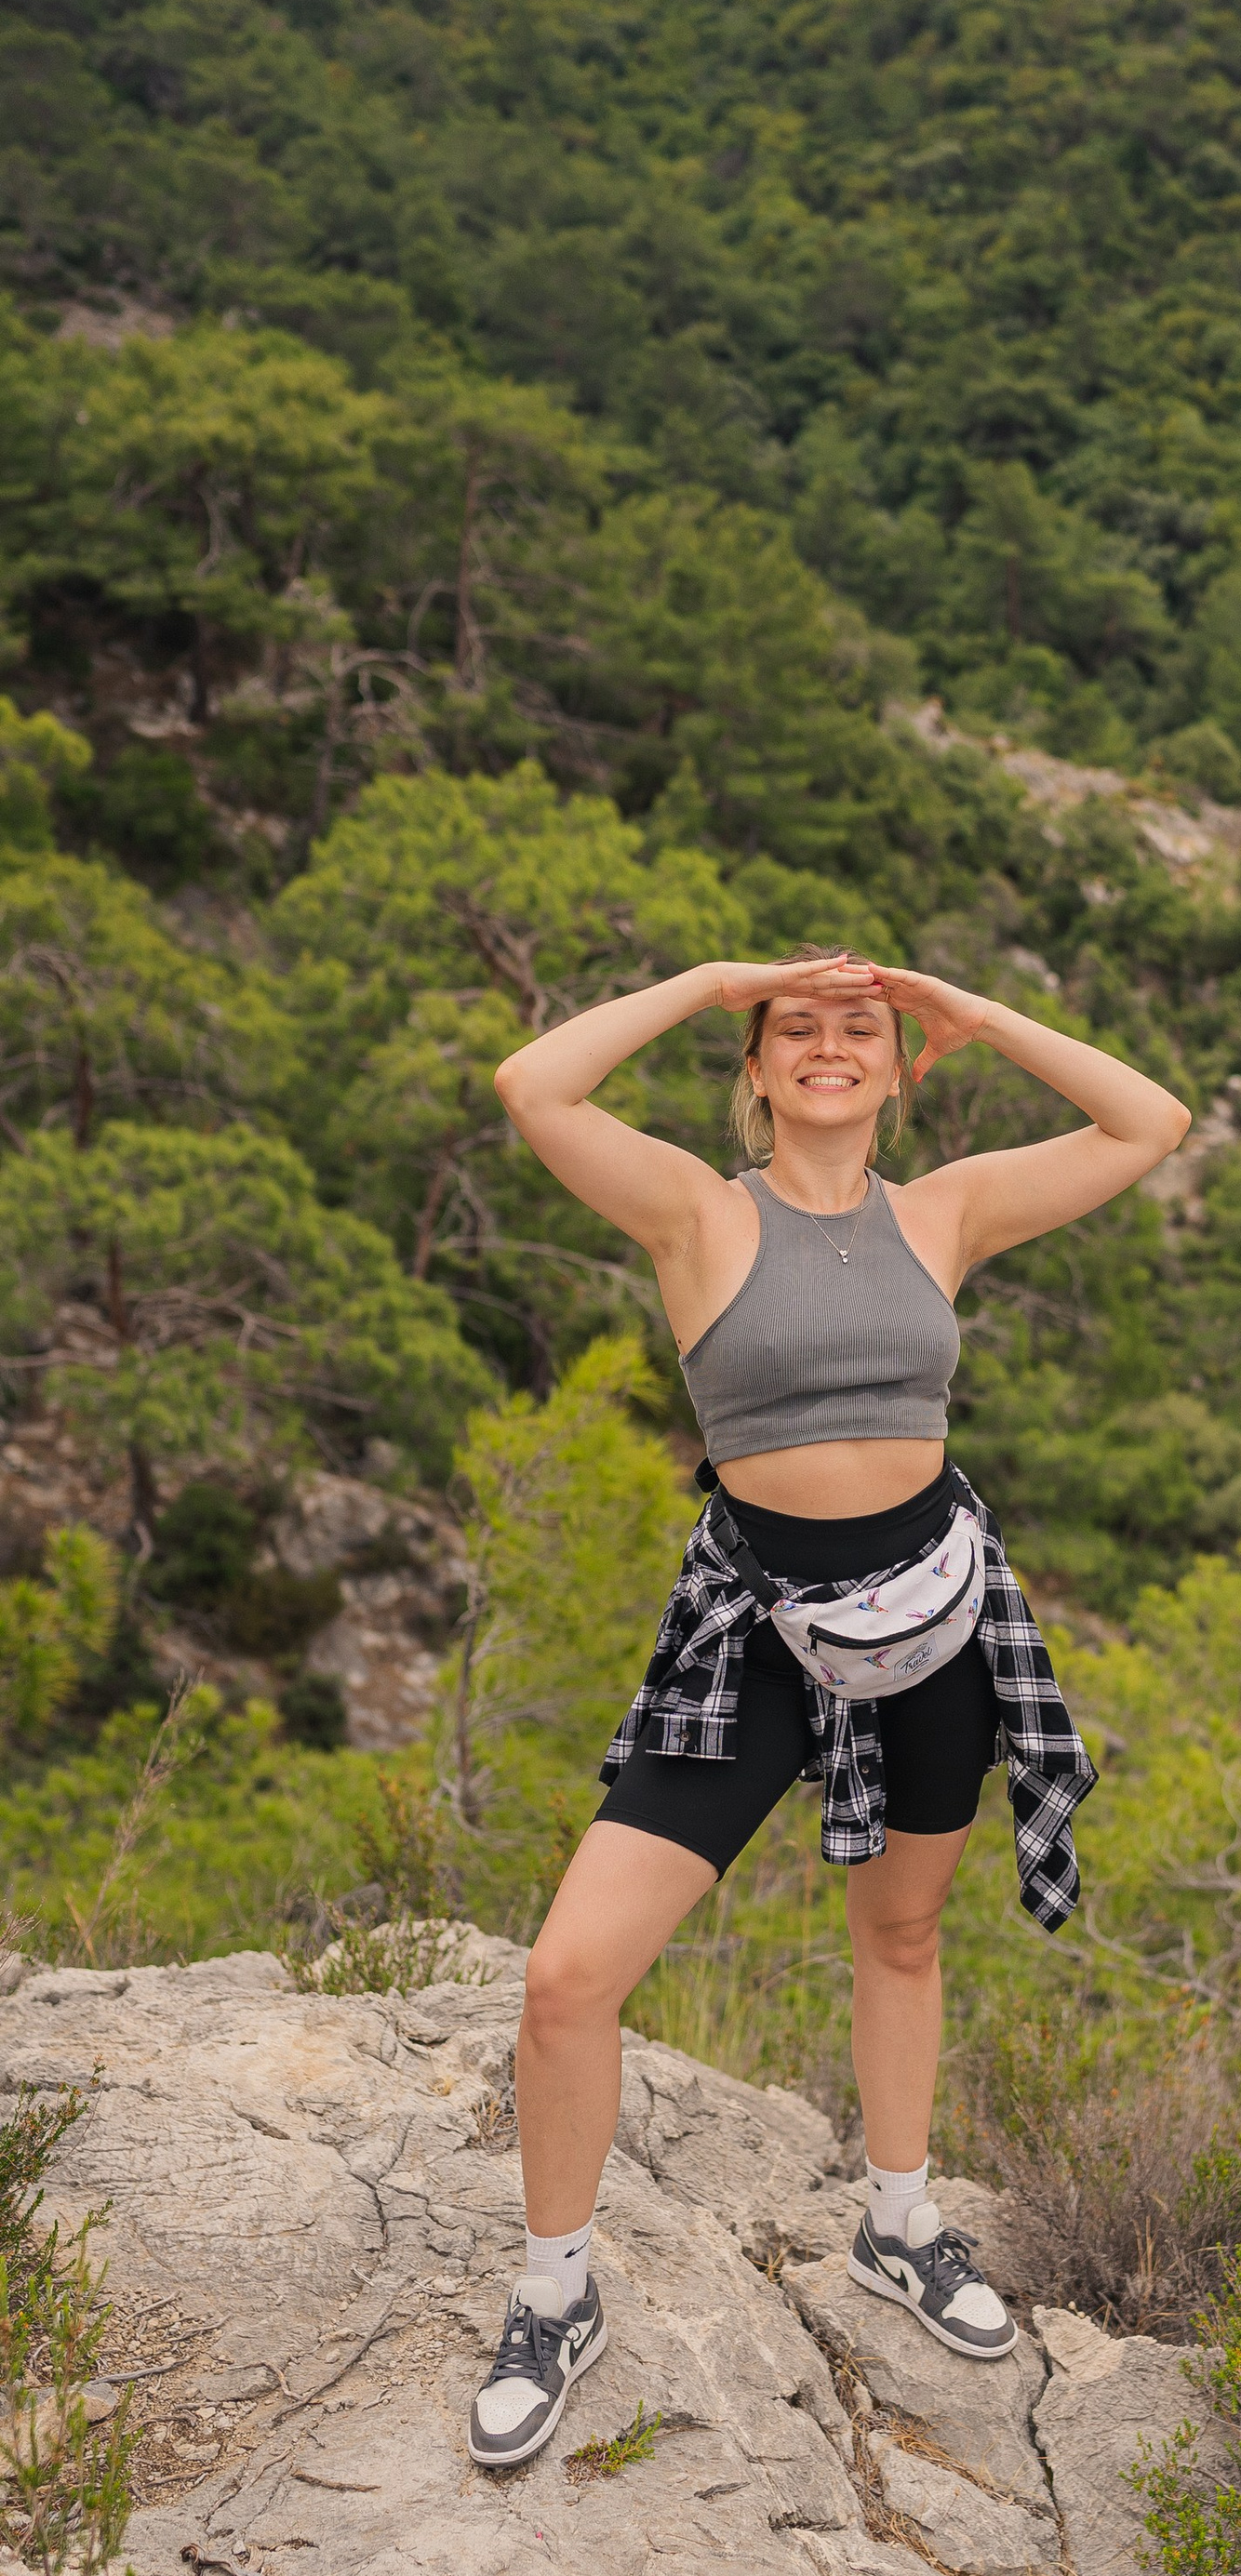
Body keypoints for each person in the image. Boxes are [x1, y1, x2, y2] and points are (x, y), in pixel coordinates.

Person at [467, 949, 1191, 2465]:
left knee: (902, 1934)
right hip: (756, 1629)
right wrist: (709, 980)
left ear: (898, 1065)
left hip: (934, 1620)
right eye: (793, 1027)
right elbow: (534, 1086)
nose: (827, 1046)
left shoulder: (945, 1212)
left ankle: (898, 2223)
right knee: (568, 1977)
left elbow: (1150, 1123)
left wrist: (975, 1014)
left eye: (860, 1028)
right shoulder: (697, 1211)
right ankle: (553, 2295)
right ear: (755, 1065)